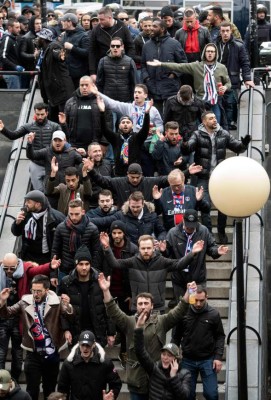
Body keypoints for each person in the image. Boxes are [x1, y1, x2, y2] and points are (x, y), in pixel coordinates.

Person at [98, 272, 196, 400]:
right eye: (140, 303)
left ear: (152, 305)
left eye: (146, 303)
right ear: (135, 306)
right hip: (137, 380)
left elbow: (179, 311)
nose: (143, 306)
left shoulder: (162, 321)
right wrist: (106, 291)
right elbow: (112, 310)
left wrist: (189, 293)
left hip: (157, 380)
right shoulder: (129, 322)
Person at [181, 111, 251, 242]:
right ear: (204, 122)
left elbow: (237, 148)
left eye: (214, 118)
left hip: (220, 176)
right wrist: (184, 144)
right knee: (205, 205)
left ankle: (221, 231)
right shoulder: (197, 134)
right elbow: (188, 148)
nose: (214, 120)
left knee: (223, 205)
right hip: (203, 176)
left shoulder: (223, 133)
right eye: (211, 118)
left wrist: (244, 144)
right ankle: (209, 234)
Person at [0, 275, 73, 400]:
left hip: (51, 353)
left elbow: (70, 316)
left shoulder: (56, 302)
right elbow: (7, 313)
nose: (35, 294)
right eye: (33, 290)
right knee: (31, 390)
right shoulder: (25, 302)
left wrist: (68, 305)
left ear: (46, 290)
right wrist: (2, 301)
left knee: (50, 390)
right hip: (33, 353)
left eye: (39, 291)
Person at [100, 232, 204, 312]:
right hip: (138, 307)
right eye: (143, 248)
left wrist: (192, 253)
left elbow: (180, 264)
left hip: (158, 308)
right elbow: (114, 264)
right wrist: (107, 247)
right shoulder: (132, 261)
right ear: (139, 249)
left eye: (148, 248)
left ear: (154, 248)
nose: (146, 251)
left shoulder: (162, 261)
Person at [0, 253, 60, 383]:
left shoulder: (25, 269)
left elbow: (37, 270)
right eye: (6, 268)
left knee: (17, 353)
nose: (9, 271)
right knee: (1, 353)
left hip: (19, 318)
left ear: (18, 264)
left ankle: (14, 382)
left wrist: (50, 266)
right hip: (4, 315)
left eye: (12, 268)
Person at [147, 43, 231, 125]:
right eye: (208, 51)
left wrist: (225, 87)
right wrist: (161, 64)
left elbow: (228, 83)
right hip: (201, 101)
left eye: (212, 52)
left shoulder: (221, 67)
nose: (210, 53)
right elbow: (179, 66)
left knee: (216, 125)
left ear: (216, 54)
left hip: (215, 101)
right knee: (201, 126)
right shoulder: (196, 66)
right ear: (204, 53)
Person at [172, 287, 225, 400]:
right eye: (196, 300)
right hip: (187, 360)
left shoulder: (214, 314)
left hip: (208, 360)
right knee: (187, 395)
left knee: (212, 394)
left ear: (207, 298)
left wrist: (218, 357)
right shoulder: (183, 313)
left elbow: (220, 336)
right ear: (191, 298)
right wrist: (173, 355)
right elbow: (176, 337)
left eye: (201, 300)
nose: (198, 303)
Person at [58, 245, 115, 347]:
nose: (84, 267)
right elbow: (62, 310)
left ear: (90, 264)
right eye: (81, 264)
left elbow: (108, 308)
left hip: (97, 330)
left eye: (87, 264)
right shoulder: (67, 282)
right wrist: (66, 330)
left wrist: (110, 332)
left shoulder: (100, 281)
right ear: (76, 264)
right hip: (76, 330)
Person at [98, 220, 138, 367]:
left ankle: (124, 351)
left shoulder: (132, 249)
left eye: (119, 233)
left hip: (124, 291)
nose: (116, 236)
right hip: (108, 288)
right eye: (114, 233)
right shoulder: (104, 247)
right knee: (109, 319)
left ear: (124, 233)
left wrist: (131, 293)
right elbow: (98, 266)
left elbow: (134, 272)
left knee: (125, 323)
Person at [166, 209, 228, 302]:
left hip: (198, 277)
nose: (190, 229)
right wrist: (163, 250)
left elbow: (211, 248)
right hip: (179, 279)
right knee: (181, 309)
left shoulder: (203, 231)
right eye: (188, 226)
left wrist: (217, 251)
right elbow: (167, 255)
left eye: (192, 227)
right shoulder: (173, 233)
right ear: (183, 220)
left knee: (197, 305)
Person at [0, 102, 61, 192]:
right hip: (35, 164)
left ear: (47, 113)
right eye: (37, 114)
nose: (40, 117)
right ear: (34, 113)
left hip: (50, 164)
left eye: (42, 114)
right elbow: (13, 135)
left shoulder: (54, 126)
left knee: (51, 190)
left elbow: (63, 139)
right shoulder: (28, 126)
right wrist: (3, 130)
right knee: (38, 192)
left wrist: (63, 125)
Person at [134, 313, 191, 400]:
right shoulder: (154, 368)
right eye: (163, 354)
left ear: (176, 359)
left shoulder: (185, 374)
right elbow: (140, 352)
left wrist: (174, 376)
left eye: (169, 355)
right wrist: (138, 329)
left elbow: (184, 396)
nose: (165, 358)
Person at [57, 330, 122, 400]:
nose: (85, 348)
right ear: (79, 344)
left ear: (94, 344)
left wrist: (112, 395)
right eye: (83, 345)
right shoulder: (69, 364)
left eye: (88, 345)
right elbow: (62, 389)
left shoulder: (105, 363)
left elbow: (116, 383)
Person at [96, 94, 151, 176]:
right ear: (119, 125)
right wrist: (102, 113)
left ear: (132, 125)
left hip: (135, 173)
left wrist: (146, 114)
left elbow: (145, 129)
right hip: (119, 173)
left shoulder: (137, 137)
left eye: (128, 122)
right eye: (123, 122)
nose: (125, 124)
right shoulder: (115, 138)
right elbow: (104, 129)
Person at [141, 18, 187, 115]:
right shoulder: (147, 46)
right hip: (153, 87)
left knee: (171, 117)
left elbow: (183, 62)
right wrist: (147, 78)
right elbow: (143, 64)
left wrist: (174, 74)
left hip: (170, 88)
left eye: (155, 26)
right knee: (155, 117)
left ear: (162, 29)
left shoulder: (174, 44)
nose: (151, 28)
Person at [51, 198, 100, 285]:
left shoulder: (92, 229)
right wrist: (53, 274)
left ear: (83, 212)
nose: (73, 217)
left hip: (85, 271)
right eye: (71, 214)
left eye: (77, 214)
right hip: (65, 269)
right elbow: (55, 251)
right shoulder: (60, 228)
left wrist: (94, 272)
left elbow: (96, 253)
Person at [216, 21, 254, 130]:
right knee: (218, 105)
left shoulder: (238, 45)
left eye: (227, 31)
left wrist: (247, 79)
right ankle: (221, 128)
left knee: (230, 105)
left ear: (231, 31)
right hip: (217, 80)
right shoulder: (215, 44)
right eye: (223, 31)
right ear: (220, 32)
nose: (225, 33)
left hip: (232, 80)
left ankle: (227, 128)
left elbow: (245, 63)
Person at [92, 191, 167, 245]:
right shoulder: (121, 215)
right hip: (129, 253)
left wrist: (159, 240)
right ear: (129, 204)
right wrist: (85, 219)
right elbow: (103, 221)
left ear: (143, 204)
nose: (135, 209)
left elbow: (162, 231)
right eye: (133, 207)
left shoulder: (152, 216)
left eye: (138, 207)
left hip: (147, 250)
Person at [11, 190, 65, 264]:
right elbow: (15, 233)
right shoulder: (25, 214)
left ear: (38, 204)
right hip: (27, 256)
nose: (26, 204)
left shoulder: (56, 217)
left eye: (29, 202)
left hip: (46, 258)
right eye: (26, 201)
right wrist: (17, 223)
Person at [59, 75, 112, 150]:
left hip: (95, 145)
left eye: (87, 85)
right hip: (74, 145)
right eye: (82, 85)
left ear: (93, 86)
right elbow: (66, 124)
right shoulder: (70, 102)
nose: (84, 87)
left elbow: (108, 123)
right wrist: (68, 144)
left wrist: (104, 143)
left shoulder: (101, 101)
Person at [85, 162, 169, 208]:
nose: (135, 180)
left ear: (142, 174)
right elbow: (102, 181)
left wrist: (178, 175)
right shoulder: (119, 182)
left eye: (137, 177)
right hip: (124, 218)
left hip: (145, 218)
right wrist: (92, 171)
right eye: (132, 177)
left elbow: (166, 179)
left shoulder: (150, 182)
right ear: (127, 174)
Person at [36, 28, 75, 123]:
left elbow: (58, 54)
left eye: (39, 37)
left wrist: (61, 56)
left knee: (65, 119)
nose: (37, 40)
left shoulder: (53, 46)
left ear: (43, 39)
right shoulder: (42, 52)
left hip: (62, 90)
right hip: (53, 93)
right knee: (53, 120)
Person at [88, 6, 135, 80]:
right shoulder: (96, 30)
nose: (99, 22)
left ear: (110, 18)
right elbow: (92, 51)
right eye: (98, 19)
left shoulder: (122, 27)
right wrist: (92, 72)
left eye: (102, 19)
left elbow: (131, 47)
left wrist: (127, 63)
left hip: (121, 67)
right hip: (103, 67)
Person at [175, 8, 210, 88]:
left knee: (199, 86)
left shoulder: (204, 31)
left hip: (199, 59)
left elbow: (210, 47)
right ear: (184, 20)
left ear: (195, 19)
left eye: (191, 21)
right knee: (186, 86)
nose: (190, 24)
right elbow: (176, 50)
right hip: (185, 60)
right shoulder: (179, 32)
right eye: (187, 21)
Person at [96, 36, 138, 104]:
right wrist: (100, 98)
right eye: (112, 46)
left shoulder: (129, 61)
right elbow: (99, 82)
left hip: (125, 101)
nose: (115, 48)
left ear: (122, 47)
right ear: (110, 47)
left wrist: (133, 100)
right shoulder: (103, 61)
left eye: (118, 46)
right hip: (108, 100)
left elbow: (134, 83)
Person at [60, 13, 90, 89]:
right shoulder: (64, 35)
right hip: (66, 73)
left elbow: (87, 53)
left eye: (63, 21)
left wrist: (72, 47)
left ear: (69, 22)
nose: (61, 23)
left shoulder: (83, 35)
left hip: (79, 75)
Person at [18, 15, 41, 88]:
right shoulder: (26, 38)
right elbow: (22, 53)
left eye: (40, 23)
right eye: (37, 23)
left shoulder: (42, 36)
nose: (39, 25)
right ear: (32, 24)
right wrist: (34, 55)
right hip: (29, 69)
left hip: (39, 68)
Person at [0, 18, 22, 89]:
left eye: (19, 27)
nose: (19, 29)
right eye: (17, 27)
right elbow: (2, 56)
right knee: (14, 97)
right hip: (10, 73)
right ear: (10, 28)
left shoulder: (15, 39)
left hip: (14, 73)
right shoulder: (7, 39)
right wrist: (14, 66)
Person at [133, 17, 152, 81]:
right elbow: (133, 55)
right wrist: (145, 59)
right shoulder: (138, 39)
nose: (148, 28)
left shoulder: (156, 37)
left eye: (149, 25)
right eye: (145, 26)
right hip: (143, 68)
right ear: (142, 26)